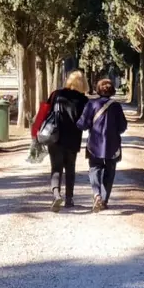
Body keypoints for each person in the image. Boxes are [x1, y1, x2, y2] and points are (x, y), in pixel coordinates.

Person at [31, 70, 89, 211]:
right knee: (70, 169)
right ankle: (69, 199)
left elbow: (44, 112)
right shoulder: (84, 100)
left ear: (68, 80)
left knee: (56, 168)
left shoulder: (56, 94)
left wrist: (35, 131)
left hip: (55, 137)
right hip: (73, 138)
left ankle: (56, 194)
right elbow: (86, 121)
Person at [77, 78, 128, 212]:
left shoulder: (91, 104)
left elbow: (83, 124)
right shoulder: (116, 106)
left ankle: (97, 194)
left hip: (94, 144)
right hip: (113, 145)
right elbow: (123, 126)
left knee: (94, 169)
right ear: (111, 90)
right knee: (110, 172)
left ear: (98, 90)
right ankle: (104, 201)